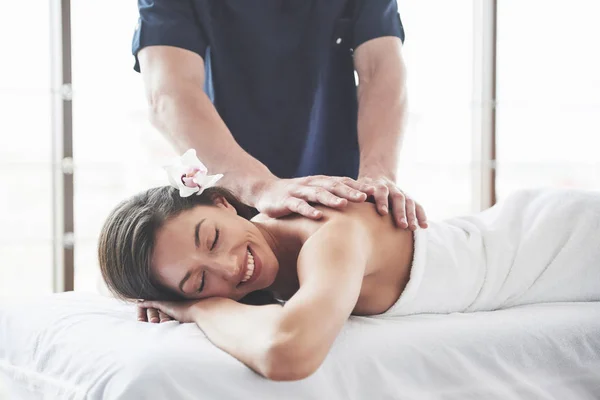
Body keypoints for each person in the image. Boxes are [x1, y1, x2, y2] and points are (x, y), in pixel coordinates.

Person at [98, 170, 600, 381]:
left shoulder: (328, 231)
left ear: (224, 201)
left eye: (211, 239)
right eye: (199, 280)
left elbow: (287, 353)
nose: (230, 267)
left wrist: (198, 305)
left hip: (562, 242)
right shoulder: (264, 271)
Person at [132, 0, 428, 230]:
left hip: (337, 196)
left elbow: (380, 69)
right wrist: (261, 187)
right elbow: (169, 94)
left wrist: (377, 177)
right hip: (233, 193)